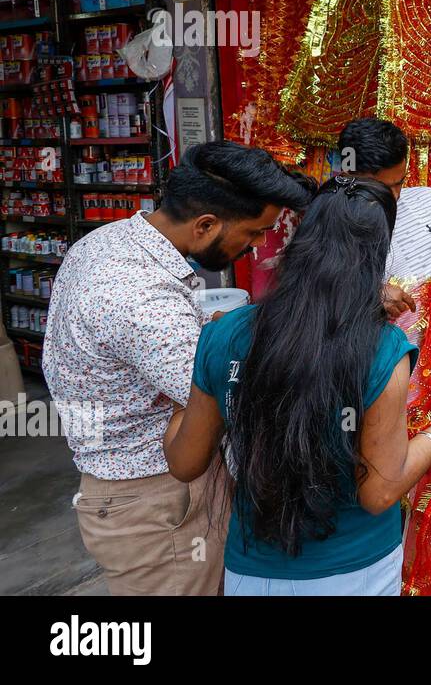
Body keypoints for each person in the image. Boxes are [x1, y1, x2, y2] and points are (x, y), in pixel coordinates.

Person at [163, 177, 431, 595]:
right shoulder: (382, 349)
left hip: (252, 572)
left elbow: (184, 461)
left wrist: (184, 398)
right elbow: (380, 491)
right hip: (358, 571)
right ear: (378, 253)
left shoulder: (224, 334)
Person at [43, 141, 315, 595]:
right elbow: (233, 391)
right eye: (251, 233)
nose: (253, 248)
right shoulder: (138, 297)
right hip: (158, 505)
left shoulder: (114, 242)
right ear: (205, 225)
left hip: (150, 489)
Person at [338, 117, 431, 340]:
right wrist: (372, 296)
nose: (394, 196)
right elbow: (321, 296)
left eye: (400, 183)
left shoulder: (428, 199)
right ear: (349, 175)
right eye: (382, 188)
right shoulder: (332, 224)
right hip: (385, 359)